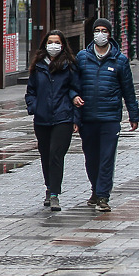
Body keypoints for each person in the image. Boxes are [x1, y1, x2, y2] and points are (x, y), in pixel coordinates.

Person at [73, 18, 139, 212]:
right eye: (97, 30)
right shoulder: (82, 58)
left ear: (110, 34)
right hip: (88, 118)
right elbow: (73, 85)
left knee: (106, 158)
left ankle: (103, 195)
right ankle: (95, 189)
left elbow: (128, 89)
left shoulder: (119, 60)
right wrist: (74, 100)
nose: (100, 34)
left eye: (104, 30)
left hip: (110, 118)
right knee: (91, 158)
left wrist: (133, 115)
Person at [25, 29, 80, 212]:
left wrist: (75, 117)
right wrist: (33, 106)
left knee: (56, 155)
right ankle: (49, 187)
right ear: (45, 45)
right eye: (50, 42)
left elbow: (75, 90)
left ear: (62, 45)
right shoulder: (38, 66)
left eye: (57, 42)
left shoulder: (69, 65)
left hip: (62, 117)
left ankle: (55, 193)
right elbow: (31, 90)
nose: (53, 46)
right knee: (45, 155)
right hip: (42, 119)